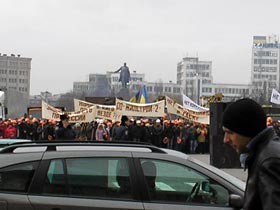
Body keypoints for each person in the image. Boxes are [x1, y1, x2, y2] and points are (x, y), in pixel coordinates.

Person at [222, 98, 280, 210]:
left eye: (230, 133)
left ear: (247, 130)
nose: (226, 139)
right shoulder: (264, 154)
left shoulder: (269, 161)